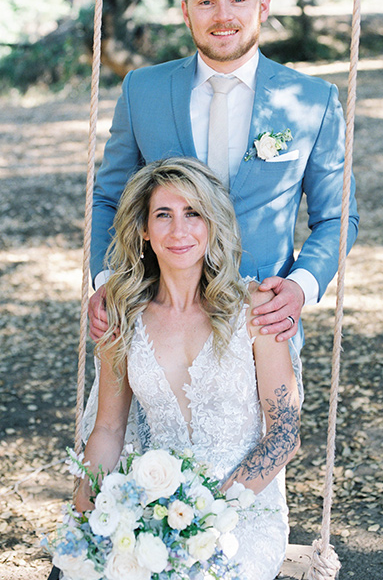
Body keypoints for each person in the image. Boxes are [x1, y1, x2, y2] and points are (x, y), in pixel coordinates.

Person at [89, 0, 359, 357]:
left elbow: (337, 217)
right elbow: (108, 198)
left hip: (263, 325)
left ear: (263, 6)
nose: (223, 15)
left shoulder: (314, 100)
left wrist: (301, 287)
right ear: (185, 12)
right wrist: (105, 280)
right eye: (206, 1)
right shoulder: (142, 90)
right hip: (154, 320)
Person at [77, 157, 301, 579]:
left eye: (192, 213)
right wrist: (89, 510)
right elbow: (108, 429)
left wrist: (214, 510)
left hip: (243, 508)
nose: (179, 231)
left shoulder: (255, 308)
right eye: (163, 215)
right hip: (151, 502)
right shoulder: (123, 316)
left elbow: (286, 433)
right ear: (143, 230)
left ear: (211, 223)